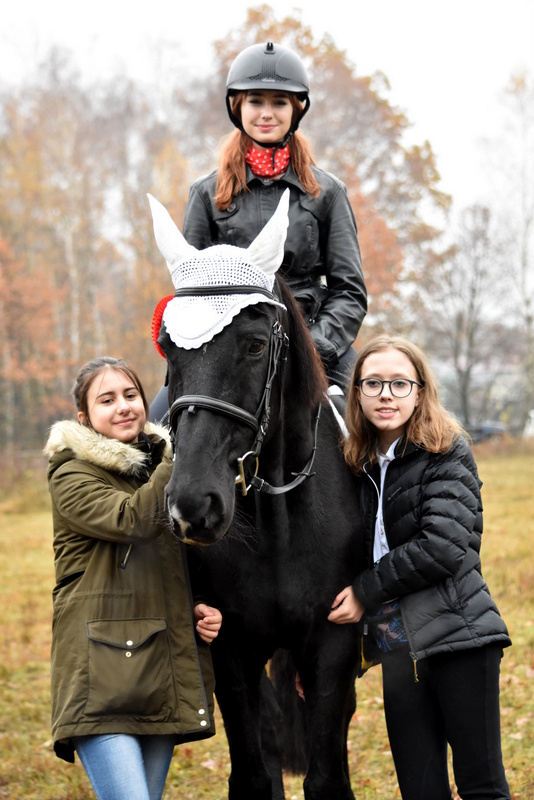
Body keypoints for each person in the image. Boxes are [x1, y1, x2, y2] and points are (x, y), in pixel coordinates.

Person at [327, 335, 512, 800]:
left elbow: (442, 547)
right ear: (357, 393)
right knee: (420, 790)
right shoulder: (357, 464)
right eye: (373, 383)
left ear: (420, 390)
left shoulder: (446, 451)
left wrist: (364, 591)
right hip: (398, 648)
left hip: (459, 638)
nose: (385, 394)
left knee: (482, 786)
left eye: (399, 383)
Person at [150, 41, 366, 420]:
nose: (267, 113)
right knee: (159, 417)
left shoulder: (329, 193)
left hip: (313, 337)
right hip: (228, 344)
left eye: (279, 102)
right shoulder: (205, 194)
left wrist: (315, 346)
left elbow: (350, 291)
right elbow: (191, 290)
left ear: (296, 109)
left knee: (374, 408)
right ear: (238, 107)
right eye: (255, 101)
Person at [44, 356, 222, 800]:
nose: (124, 406)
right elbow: (132, 520)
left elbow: (167, 564)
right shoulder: (72, 473)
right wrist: (181, 455)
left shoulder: (156, 468)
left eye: (130, 395)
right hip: (100, 679)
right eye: (106, 400)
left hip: (157, 671)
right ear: (84, 417)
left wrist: (197, 606)